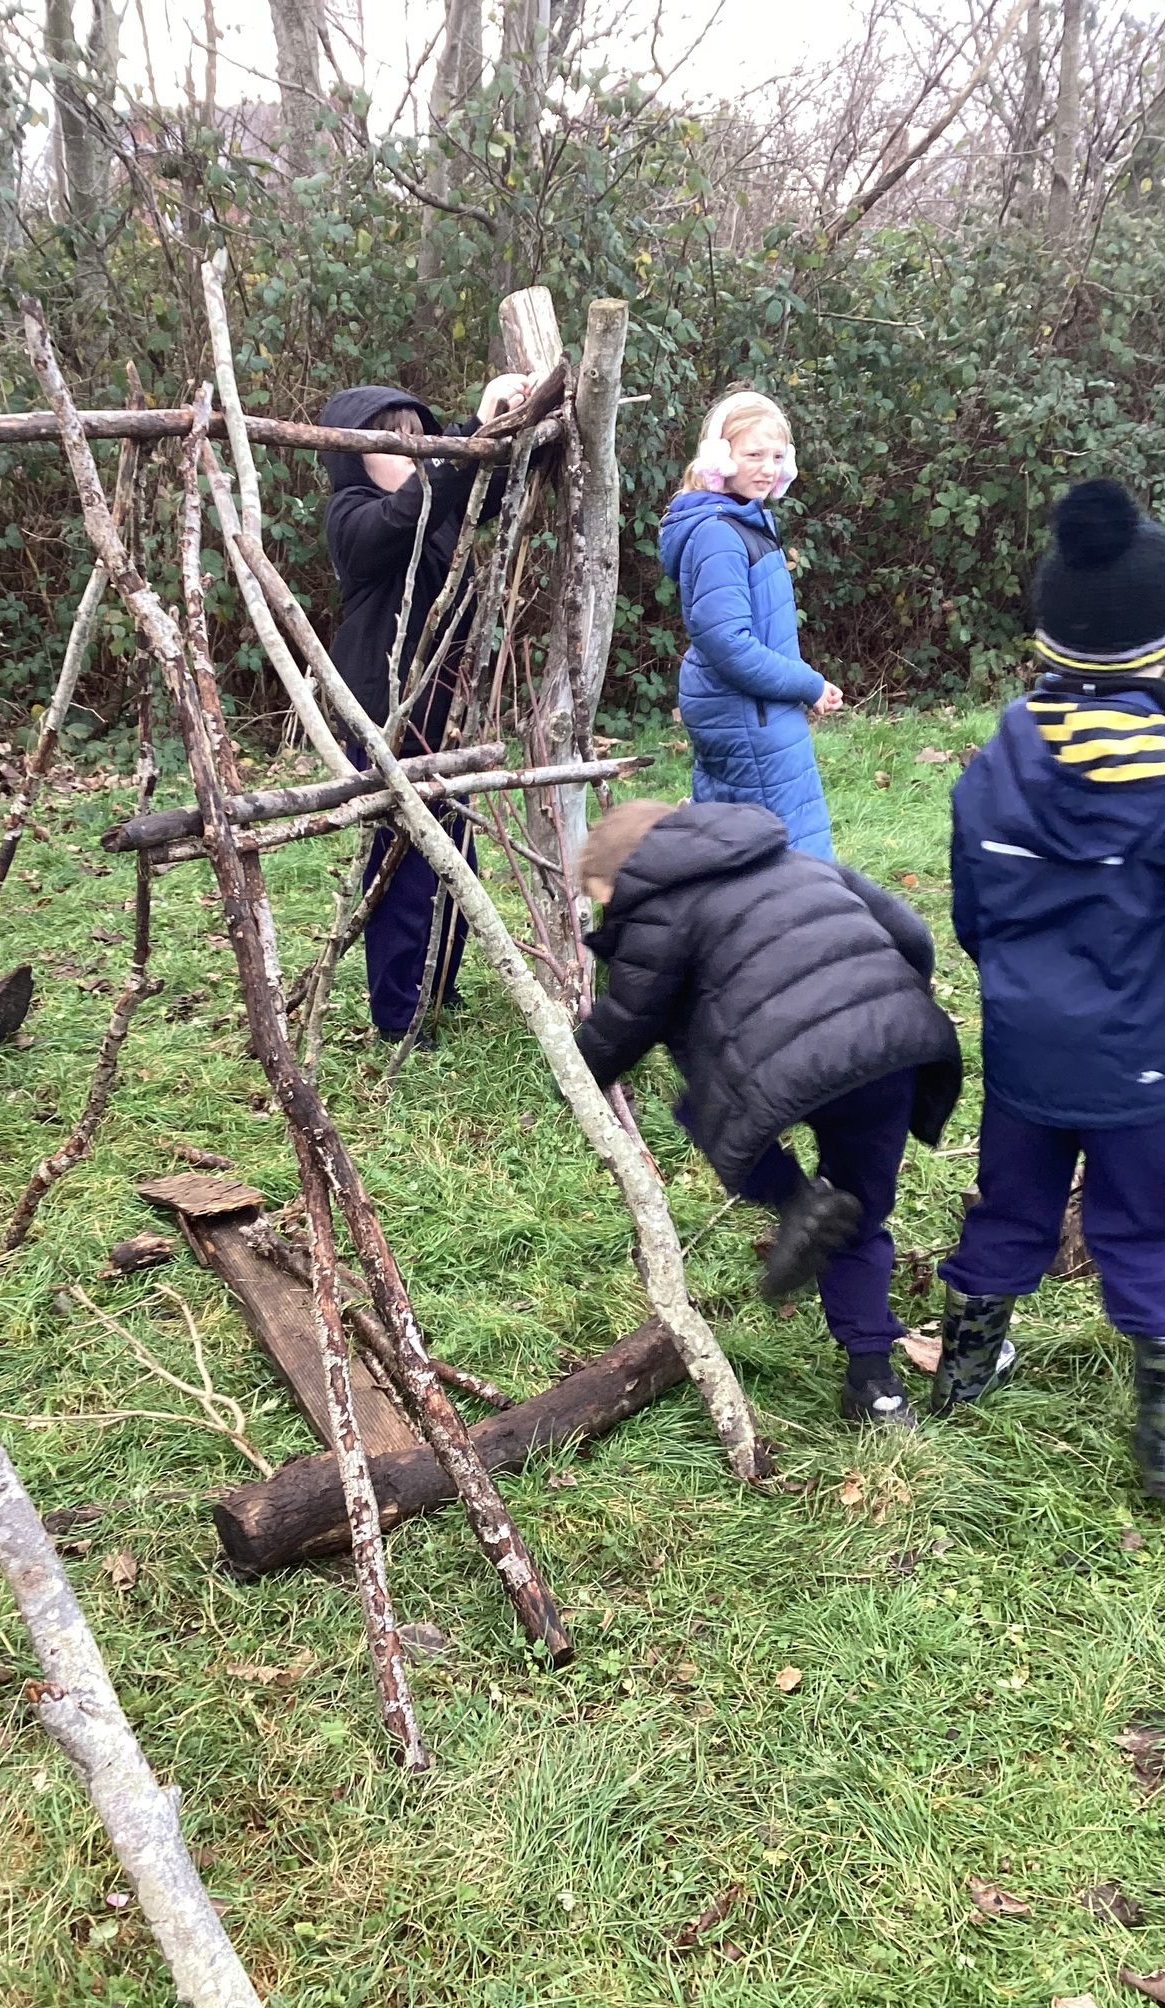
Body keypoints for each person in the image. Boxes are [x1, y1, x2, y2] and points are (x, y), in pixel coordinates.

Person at [934, 477, 1165, 1502]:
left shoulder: (998, 759)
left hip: (1026, 1051)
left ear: (1052, 641)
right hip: (1143, 1063)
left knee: (1009, 1207)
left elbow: (973, 908)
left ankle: (964, 1367)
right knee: (1142, 1224)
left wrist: (1016, 986)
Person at [574, 797, 962, 1427]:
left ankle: (794, 1198)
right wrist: (889, 1001)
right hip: (893, 1049)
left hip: (782, 1068)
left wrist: (575, 1076)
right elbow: (912, 934)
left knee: (704, 1109)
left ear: (632, 872)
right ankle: (875, 1384)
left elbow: (626, 1022)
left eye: (605, 897)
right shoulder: (797, 860)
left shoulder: (657, 908)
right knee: (859, 1211)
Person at [318, 375, 530, 1041]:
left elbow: (488, 484)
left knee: (454, 853)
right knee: (401, 861)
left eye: (421, 440)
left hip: (443, 705)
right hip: (387, 712)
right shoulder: (353, 515)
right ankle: (399, 1012)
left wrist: (515, 422)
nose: (414, 454)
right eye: (393, 443)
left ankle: (438, 983)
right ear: (351, 456)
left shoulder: (437, 512)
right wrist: (469, 430)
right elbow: (410, 510)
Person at [658, 391, 842, 857]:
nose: (768, 469)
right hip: (747, 714)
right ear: (719, 458)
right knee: (782, 855)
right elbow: (729, 642)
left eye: (778, 457)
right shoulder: (719, 534)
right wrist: (807, 683)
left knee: (738, 849)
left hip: (753, 709)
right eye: (754, 455)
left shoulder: (743, 523)